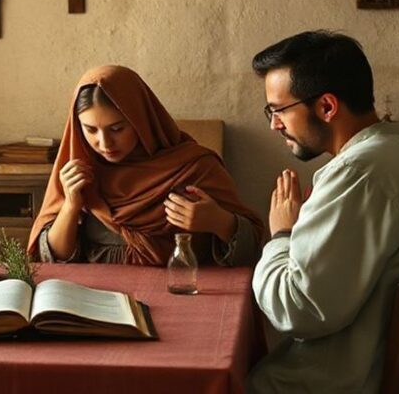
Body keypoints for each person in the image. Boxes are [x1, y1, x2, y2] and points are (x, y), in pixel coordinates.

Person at [249, 31, 399, 393]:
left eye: (278, 110)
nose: (274, 125)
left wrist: (281, 235)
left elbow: (298, 311)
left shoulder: (358, 175)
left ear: (327, 107)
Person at [26, 65, 263, 266]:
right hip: (94, 298)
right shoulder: (79, 171)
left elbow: (251, 251)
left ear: (141, 120)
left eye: (117, 129)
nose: (105, 143)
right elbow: (51, 260)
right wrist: (71, 206)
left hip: (179, 294)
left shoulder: (196, 168)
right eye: (90, 130)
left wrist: (219, 221)